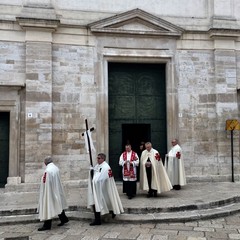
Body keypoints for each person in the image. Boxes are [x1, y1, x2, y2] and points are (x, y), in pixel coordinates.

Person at [87, 153, 124, 226]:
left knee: (109, 199)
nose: (97, 159)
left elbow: (102, 177)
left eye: (99, 158)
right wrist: (91, 171)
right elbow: (96, 173)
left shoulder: (106, 167)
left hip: (105, 187)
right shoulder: (98, 165)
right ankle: (98, 219)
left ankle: (113, 211)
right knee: (97, 202)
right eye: (97, 158)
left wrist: (95, 180)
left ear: (103, 159)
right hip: (98, 188)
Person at [37, 156, 69, 231]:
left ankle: (47, 225)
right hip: (56, 189)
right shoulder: (55, 168)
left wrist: (46, 192)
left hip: (50, 190)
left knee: (48, 206)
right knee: (58, 203)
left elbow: (46, 182)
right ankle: (64, 219)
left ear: (45, 162)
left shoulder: (47, 171)